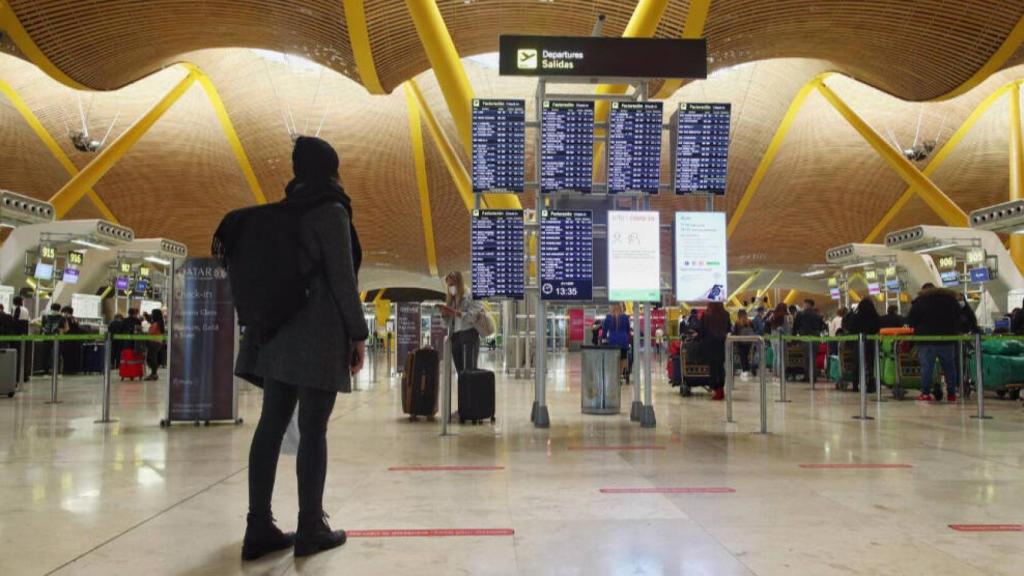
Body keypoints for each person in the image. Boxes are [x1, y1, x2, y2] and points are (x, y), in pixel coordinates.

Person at [238, 136, 368, 560]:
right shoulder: (331, 211)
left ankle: (258, 525)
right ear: (331, 169)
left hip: (277, 335)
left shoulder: (284, 211)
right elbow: (343, 281)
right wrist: (358, 334)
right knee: (314, 429)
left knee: (271, 425)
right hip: (317, 336)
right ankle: (310, 526)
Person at [906, 283, 960, 402]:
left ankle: (925, 393)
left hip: (926, 340)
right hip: (947, 339)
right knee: (949, 367)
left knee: (927, 368)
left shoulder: (920, 301)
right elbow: (958, 317)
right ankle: (951, 394)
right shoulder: (950, 300)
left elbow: (911, 320)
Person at [440, 271, 483, 374]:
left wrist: (457, 313)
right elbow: (445, 324)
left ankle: (470, 390)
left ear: (459, 283)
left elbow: (474, 317)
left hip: (469, 335)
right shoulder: (451, 300)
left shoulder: (471, 295)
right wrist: (444, 315)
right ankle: (462, 390)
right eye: (449, 285)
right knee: (460, 372)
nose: (451, 288)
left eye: (452, 284)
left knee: (469, 371)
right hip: (455, 337)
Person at [842, 299, 881, 391]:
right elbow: (878, 328)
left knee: (857, 363)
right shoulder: (875, 317)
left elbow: (851, 329)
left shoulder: (856, 317)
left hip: (858, 342)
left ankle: (855, 384)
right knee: (870, 364)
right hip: (872, 343)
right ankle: (871, 384)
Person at [698, 302, 731, 400]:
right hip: (721, 345)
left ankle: (715, 389)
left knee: (712, 368)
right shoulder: (726, 314)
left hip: (709, 345)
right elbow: (728, 329)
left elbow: (701, 331)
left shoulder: (706, 315)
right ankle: (720, 389)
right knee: (720, 366)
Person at [792, 299, 826, 380]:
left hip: (805, 338)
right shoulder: (818, 315)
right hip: (815, 338)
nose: (803, 305)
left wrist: (793, 337)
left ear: (807, 304)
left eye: (804, 304)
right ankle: (813, 376)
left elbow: (795, 326)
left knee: (806, 358)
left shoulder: (800, 314)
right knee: (813, 358)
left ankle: (807, 376)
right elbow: (822, 327)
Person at [602, 304, 632, 384]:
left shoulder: (608, 317)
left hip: (612, 341)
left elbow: (604, 331)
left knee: (614, 359)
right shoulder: (625, 317)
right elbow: (628, 331)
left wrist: (603, 339)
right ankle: (621, 375)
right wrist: (628, 341)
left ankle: (615, 376)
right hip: (623, 341)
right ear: (621, 308)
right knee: (623, 359)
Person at [732, 309, 755, 378]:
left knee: (743, 356)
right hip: (748, 342)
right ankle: (747, 369)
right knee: (747, 356)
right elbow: (753, 330)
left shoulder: (737, 323)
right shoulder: (750, 322)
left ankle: (745, 370)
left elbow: (735, 333)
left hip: (740, 342)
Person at [144, 309, 166, 381]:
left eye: (152, 313)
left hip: (153, 342)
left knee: (151, 358)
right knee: (153, 358)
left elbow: (151, 332)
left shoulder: (156, 324)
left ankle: (153, 374)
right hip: (158, 342)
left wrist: (144, 333)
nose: (152, 314)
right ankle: (154, 374)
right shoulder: (160, 323)